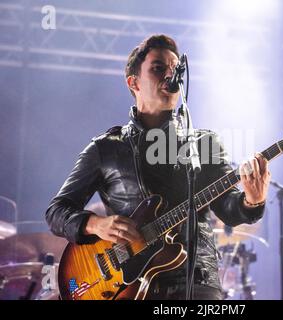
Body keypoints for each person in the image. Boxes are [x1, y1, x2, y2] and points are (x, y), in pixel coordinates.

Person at [45, 34, 271, 300]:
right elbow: (56, 212)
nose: (169, 75)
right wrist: (96, 225)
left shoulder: (204, 143)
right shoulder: (105, 148)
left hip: (198, 280)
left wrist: (253, 201)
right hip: (128, 286)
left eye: (175, 70)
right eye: (158, 68)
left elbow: (230, 210)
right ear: (134, 82)